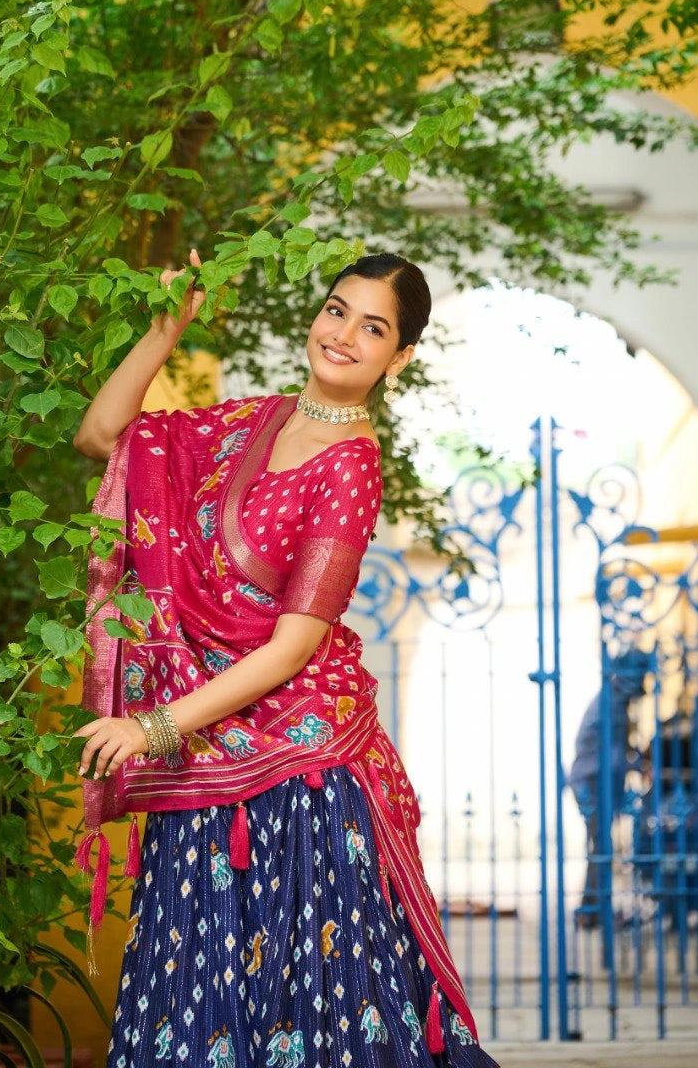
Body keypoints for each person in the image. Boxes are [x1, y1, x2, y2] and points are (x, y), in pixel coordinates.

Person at [72, 249, 500, 1067]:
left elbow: (293, 646)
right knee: (189, 1000)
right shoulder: (246, 421)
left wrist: (150, 726)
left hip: (298, 783)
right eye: (337, 309)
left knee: (306, 1018)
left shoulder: (350, 467)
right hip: (200, 762)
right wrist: (166, 331)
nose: (343, 334)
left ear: (398, 357)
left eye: (372, 328)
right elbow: (101, 438)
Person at [565, 646, 652, 926]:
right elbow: (613, 754)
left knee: (602, 847)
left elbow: (620, 748)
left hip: (598, 780)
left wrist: (638, 762)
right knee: (601, 848)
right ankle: (592, 912)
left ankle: (594, 910)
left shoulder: (616, 700)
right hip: (592, 782)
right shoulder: (611, 702)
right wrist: (636, 766)